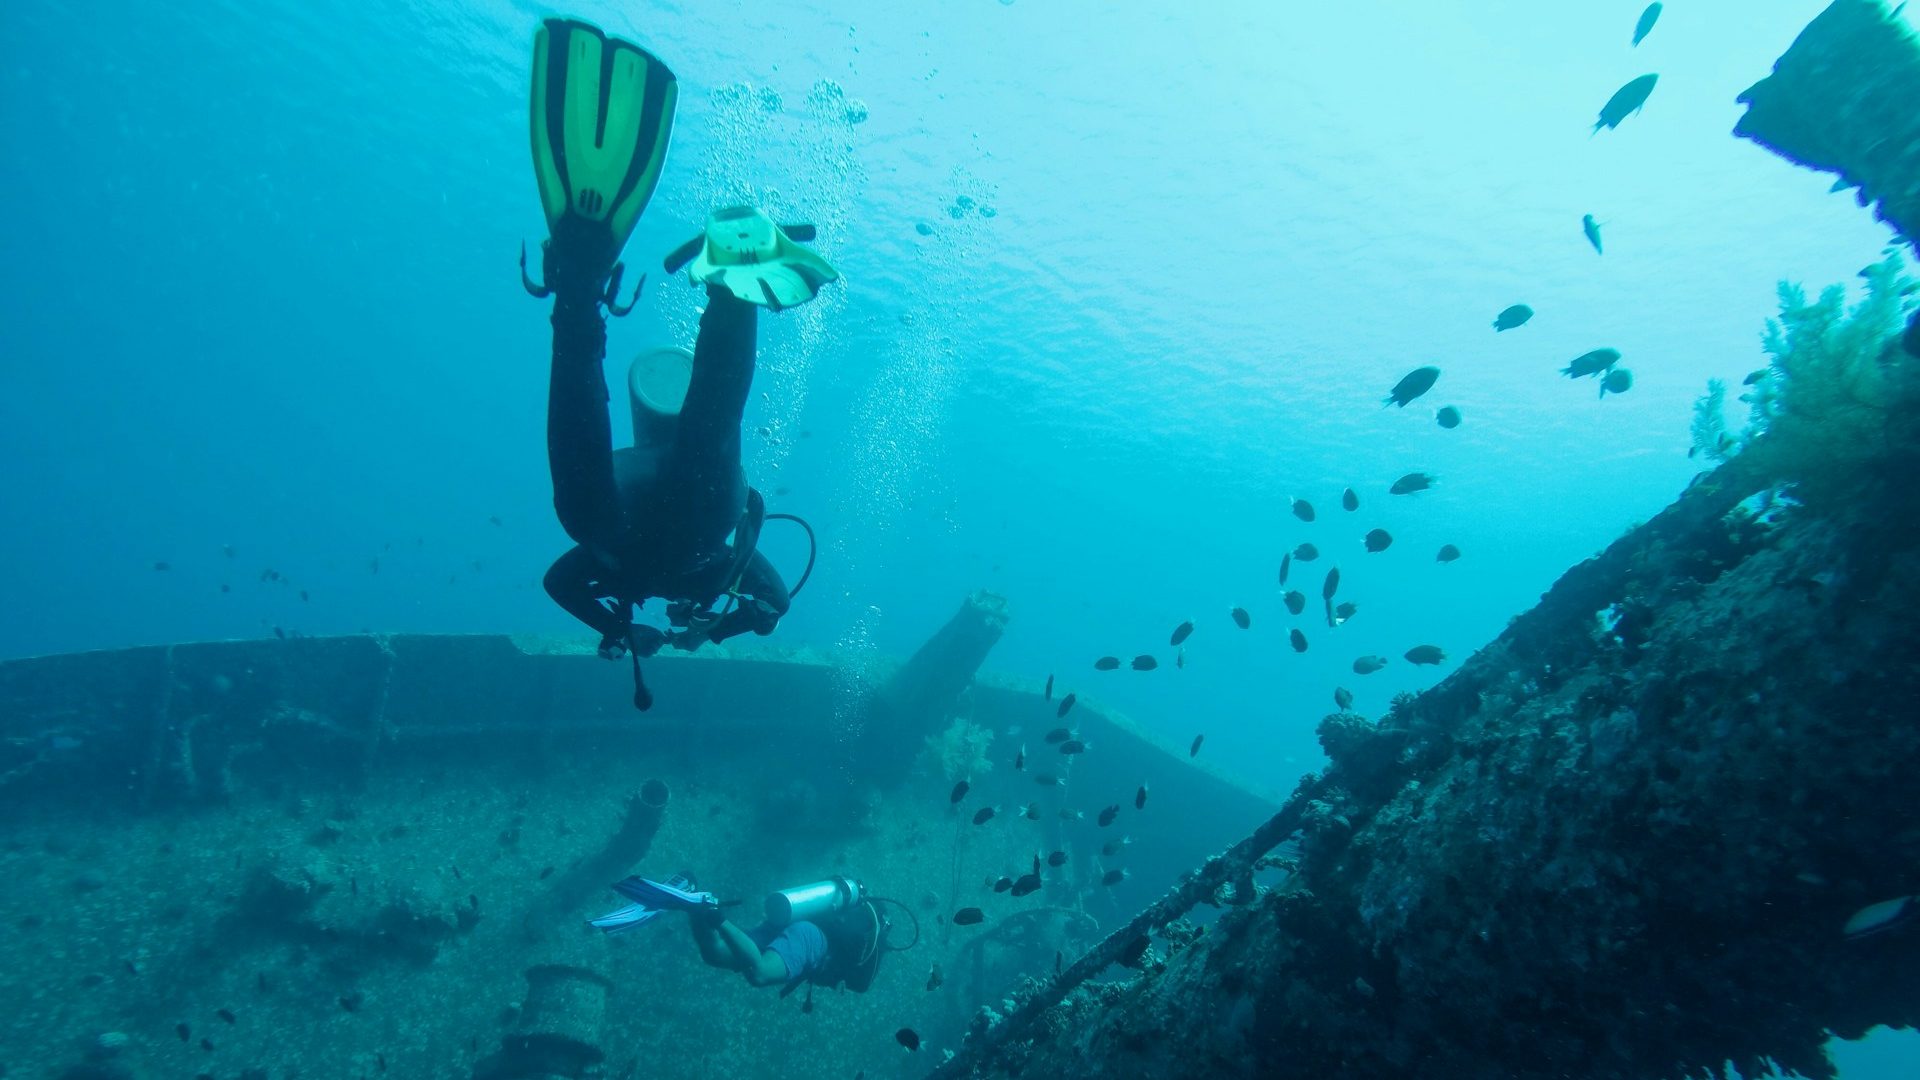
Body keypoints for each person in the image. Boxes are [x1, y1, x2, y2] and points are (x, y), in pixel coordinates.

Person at [522, 19, 837, 709]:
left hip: (641, 510)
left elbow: (558, 582)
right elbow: (775, 601)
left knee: (695, 444)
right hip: (664, 512)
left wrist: (624, 628)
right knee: (653, 469)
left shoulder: (698, 572)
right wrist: (707, 632)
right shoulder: (728, 573)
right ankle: (598, 290)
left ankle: (680, 291)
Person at [591, 873, 889, 995]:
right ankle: (713, 915)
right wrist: (719, 921)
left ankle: (697, 903)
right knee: (758, 973)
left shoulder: (848, 913)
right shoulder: (864, 943)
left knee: (715, 954)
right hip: (811, 937)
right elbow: (857, 982)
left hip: (790, 919)